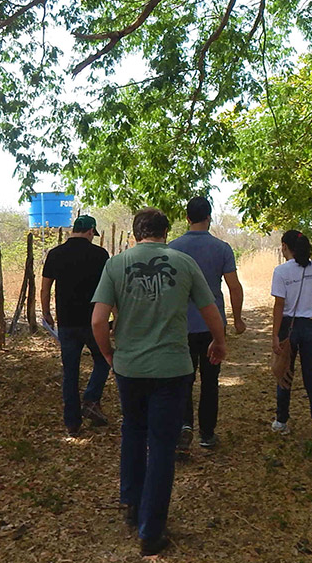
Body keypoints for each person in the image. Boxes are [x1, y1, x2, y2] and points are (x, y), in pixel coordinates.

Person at [92, 208, 228, 557]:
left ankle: (132, 503)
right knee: (163, 445)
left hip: (130, 367)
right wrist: (219, 341)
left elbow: (97, 321)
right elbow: (210, 309)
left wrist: (109, 355)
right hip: (172, 368)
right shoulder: (183, 263)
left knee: (133, 431)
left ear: (136, 232)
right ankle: (151, 531)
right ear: (165, 232)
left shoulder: (116, 264)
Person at [167, 196, 246, 451]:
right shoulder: (222, 248)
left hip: (182, 325)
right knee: (211, 381)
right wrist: (237, 319)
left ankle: (183, 427)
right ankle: (207, 434)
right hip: (214, 327)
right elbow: (234, 286)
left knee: (182, 378)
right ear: (209, 217)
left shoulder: (173, 249)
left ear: (187, 218)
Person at [40, 214, 112, 436]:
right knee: (104, 360)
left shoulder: (55, 254)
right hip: (94, 322)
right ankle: (91, 398)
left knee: (70, 372)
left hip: (67, 323)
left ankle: (72, 423)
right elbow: (110, 289)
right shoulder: (100, 255)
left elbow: (45, 288)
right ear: (91, 231)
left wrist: (46, 313)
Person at [270, 229, 312, 447]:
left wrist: (275, 334)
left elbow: (279, 305)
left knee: (284, 373)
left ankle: (281, 420)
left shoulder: (281, 271)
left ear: (285, 247)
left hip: (290, 326)